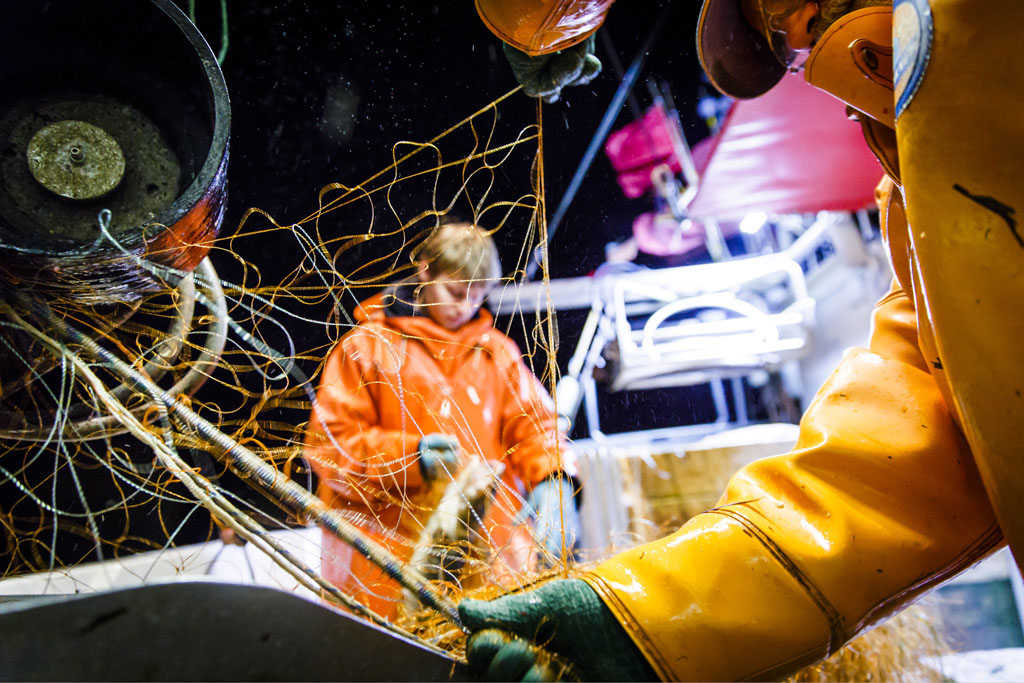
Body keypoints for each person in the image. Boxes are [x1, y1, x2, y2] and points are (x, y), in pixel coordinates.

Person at [460, 1, 1024, 680]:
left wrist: (551, 479)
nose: (803, 59)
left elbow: (536, 430)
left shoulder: (974, 74)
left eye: (785, 28)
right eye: (786, 46)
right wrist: (647, 621)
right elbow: (929, 440)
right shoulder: (927, 219)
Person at [304, 221, 580, 619]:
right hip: (386, 583)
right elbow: (329, 448)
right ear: (425, 270)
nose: (464, 306)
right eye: (454, 291)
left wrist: (555, 480)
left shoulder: (498, 355)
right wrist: (409, 458)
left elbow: (537, 427)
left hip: (490, 578)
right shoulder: (364, 349)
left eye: (478, 296)